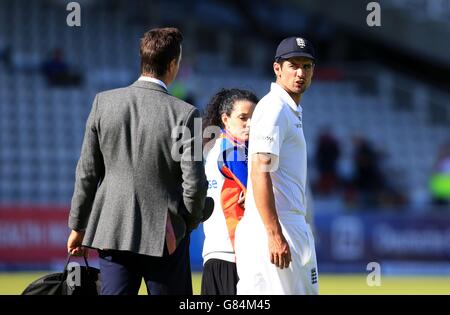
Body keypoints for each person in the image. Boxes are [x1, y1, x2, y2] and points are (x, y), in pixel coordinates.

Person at [66, 27, 212, 295]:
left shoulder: (103, 103)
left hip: (112, 230)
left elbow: (87, 173)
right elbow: (195, 185)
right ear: (172, 64)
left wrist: (78, 226)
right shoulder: (187, 114)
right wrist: (186, 224)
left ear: (143, 60)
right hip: (165, 234)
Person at [234, 36, 319, 294]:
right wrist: (274, 233)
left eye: (306, 66)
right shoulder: (275, 108)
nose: (300, 72)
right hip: (278, 226)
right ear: (277, 68)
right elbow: (261, 171)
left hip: (283, 223)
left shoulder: (287, 109)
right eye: (293, 65)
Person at [200, 89, 258, 295]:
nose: (250, 124)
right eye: (243, 118)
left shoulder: (216, 147)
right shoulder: (233, 150)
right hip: (233, 255)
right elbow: (260, 196)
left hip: (215, 253)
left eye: (254, 117)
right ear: (225, 119)